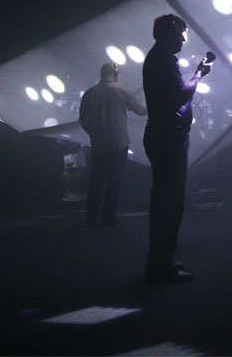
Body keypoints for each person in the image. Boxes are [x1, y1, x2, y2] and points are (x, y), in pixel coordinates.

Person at [142, 14, 213, 283]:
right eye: (179, 33)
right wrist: (199, 74)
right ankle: (161, 265)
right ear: (167, 33)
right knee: (169, 204)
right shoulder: (161, 60)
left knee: (165, 201)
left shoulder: (160, 58)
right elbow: (180, 96)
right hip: (168, 137)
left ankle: (161, 260)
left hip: (165, 135)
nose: (183, 39)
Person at [78, 62, 147, 225]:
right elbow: (139, 111)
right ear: (115, 73)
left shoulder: (90, 93)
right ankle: (108, 216)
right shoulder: (123, 91)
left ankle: (91, 216)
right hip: (119, 142)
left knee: (96, 181)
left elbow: (82, 119)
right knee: (114, 181)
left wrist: (93, 133)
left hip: (98, 143)